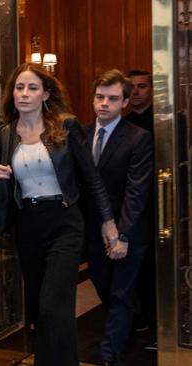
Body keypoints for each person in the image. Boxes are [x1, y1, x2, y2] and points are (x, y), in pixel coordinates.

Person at [0, 63, 118, 366]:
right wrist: (1, 175)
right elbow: (15, 182)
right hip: (28, 226)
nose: (24, 94)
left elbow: (91, 178)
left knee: (53, 305)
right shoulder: (6, 133)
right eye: (19, 88)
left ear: (46, 94)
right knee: (38, 308)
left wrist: (108, 222)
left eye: (32, 88)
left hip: (64, 222)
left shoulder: (66, 125)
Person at [82, 69, 154, 366]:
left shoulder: (138, 138)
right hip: (91, 229)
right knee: (103, 285)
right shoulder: (81, 134)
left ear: (125, 102)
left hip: (128, 228)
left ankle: (110, 355)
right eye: (100, 97)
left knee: (121, 292)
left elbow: (136, 192)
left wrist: (122, 234)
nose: (104, 104)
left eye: (113, 99)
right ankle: (129, 331)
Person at [125, 69, 157, 338]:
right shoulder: (121, 123)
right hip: (129, 206)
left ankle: (158, 320)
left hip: (157, 203)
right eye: (132, 87)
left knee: (153, 265)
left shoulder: (166, 121)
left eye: (142, 87)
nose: (136, 92)